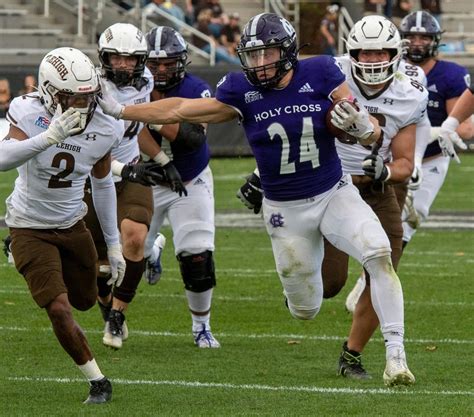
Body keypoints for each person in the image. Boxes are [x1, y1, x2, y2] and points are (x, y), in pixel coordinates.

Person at [97, 12, 415, 386]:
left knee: (378, 254)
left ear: (288, 51)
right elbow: (179, 109)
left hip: (333, 191)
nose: (260, 64)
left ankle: (396, 357)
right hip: (285, 210)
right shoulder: (239, 91)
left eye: (268, 54)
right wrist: (120, 109)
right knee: (306, 309)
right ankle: (297, 295)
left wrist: (365, 129)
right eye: (253, 56)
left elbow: (367, 127)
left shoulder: (323, 73)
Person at [0, 47, 126, 404]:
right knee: (58, 307)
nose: (82, 106)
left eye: (87, 98)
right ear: (50, 91)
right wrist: (49, 137)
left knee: (85, 301)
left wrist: (113, 245)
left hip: (73, 223)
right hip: (28, 225)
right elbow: (2, 159)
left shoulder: (104, 124)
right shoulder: (28, 110)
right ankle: (98, 381)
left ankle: (100, 287)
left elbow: (102, 184)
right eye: (72, 97)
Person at [323, 15, 427, 381]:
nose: (371, 60)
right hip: (330, 187)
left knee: (381, 270)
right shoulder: (330, 75)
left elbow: (403, 161)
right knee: (328, 285)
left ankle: (355, 355)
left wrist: (385, 172)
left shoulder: (409, 93)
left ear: (393, 53)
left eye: (378, 52)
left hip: (377, 188)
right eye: (363, 54)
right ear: (351, 54)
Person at [90, 22, 187, 350]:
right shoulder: (88, 86)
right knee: (98, 268)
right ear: (104, 57)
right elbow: (84, 148)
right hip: (92, 178)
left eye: (130, 59)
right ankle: (106, 305)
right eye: (116, 58)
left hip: (132, 172)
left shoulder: (145, 81)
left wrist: (163, 161)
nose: (123, 65)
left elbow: (138, 125)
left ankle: (117, 314)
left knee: (133, 237)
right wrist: (123, 171)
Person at [140, 26, 220, 348]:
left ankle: (201, 326)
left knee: (197, 255)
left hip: (190, 178)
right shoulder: (134, 88)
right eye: (154, 63)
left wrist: (149, 115)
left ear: (181, 61)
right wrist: (161, 160)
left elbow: (192, 137)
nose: (160, 70)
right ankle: (152, 249)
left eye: (167, 63)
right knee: (130, 252)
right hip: (147, 178)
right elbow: (132, 134)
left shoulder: (195, 88)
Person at [398, 11, 472, 247]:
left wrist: (430, 132)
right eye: (412, 37)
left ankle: (374, 278)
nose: (417, 43)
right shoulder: (392, 69)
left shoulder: (451, 74)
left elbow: (465, 128)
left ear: (435, 40)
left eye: (424, 38)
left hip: (431, 157)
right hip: (393, 154)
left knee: (414, 214)